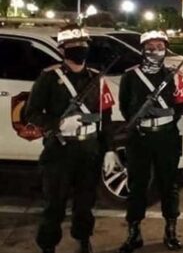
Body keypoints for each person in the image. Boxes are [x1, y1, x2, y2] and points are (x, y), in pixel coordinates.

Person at [24, 24, 117, 253]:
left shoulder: (97, 78)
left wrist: (109, 150)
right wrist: (58, 124)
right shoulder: (48, 77)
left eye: (83, 45)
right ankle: (48, 246)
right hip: (60, 150)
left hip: (89, 149)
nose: (80, 49)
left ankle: (83, 240)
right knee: (54, 204)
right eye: (74, 46)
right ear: (63, 50)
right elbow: (31, 113)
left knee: (85, 204)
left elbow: (105, 118)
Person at [117, 30, 183, 252]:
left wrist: (163, 123)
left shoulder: (175, 75)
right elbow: (125, 107)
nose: (155, 51)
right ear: (143, 49)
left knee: (169, 184)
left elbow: (181, 105)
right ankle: (134, 232)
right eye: (150, 47)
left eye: (160, 46)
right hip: (139, 139)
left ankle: (170, 230)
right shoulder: (130, 76)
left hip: (166, 137)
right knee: (137, 185)